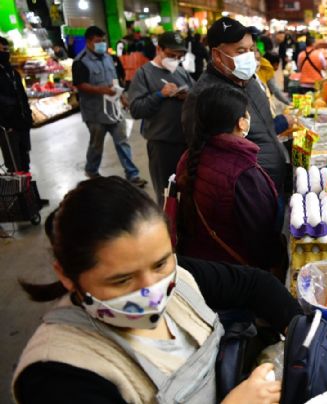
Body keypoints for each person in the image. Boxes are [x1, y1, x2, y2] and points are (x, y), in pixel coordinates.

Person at [12, 176, 301, 403]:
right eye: (122, 281)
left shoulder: (178, 275)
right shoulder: (58, 375)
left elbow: (254, 284)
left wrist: (302, 332)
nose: (152, 291)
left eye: (161, 263)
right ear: (67, 276)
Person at [176, 85, 286, 278]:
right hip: (234, 272)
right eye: (246, 113)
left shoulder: (190, 156)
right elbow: (261, 236)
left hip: (196, 264)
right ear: (241, 123)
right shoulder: (242, 171)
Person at [182, 17, 293, 198]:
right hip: (247, 194)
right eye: (241, 51)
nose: (249, 56)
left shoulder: (248, 79)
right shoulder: (205, 96)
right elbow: (205, 157)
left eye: (251, 49)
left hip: (273, 183)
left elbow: (262, 127)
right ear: (217, 55)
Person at [72, 26, 147, 186]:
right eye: (98, 41)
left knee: (122, 141)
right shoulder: (80, 61)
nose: (101, 44)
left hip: (114, 110)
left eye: (103, 41)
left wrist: (123, 98)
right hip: (95, 113)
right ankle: (91, 170)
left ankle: (132, 175)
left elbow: (116, 81)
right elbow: (80, 85)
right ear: (89, 42)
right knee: (96, 145)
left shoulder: (108, 58)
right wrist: (100, 90)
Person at [128, 32, 194, 204]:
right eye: (171, 55)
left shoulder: (181, 72)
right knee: (167, 194)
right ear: (159, 49)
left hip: (186, 141)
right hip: (162, 145)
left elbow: (197, 93)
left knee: (188, 190)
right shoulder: (144, 74)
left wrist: (188, 96)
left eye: (179, 56)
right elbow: (135, 109)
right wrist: (159, 95)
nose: (175, 59)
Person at [0, 36, 33, 173]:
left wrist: (28, 116)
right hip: (8, 128)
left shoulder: (13, 72)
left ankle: (27, 191)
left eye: (6, 49)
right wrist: (5, 124)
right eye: (1, 50)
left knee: (25, 161)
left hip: (22, 123)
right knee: (14, 165)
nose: (5, 52)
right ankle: (17, 193)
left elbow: (22, 97)